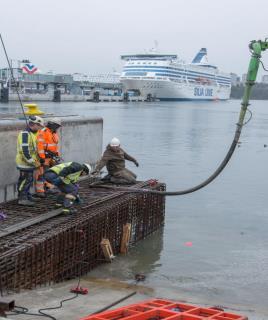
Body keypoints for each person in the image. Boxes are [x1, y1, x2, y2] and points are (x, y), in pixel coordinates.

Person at [16, 116, 44, 206]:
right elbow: (24, 151)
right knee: (25, 180)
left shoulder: (32, 133)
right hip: (24, 163)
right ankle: (22, 198)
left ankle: (27, 195)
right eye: (39, 126)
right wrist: (33, 162)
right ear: (34, 124)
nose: (40, 128)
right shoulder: (25, 134)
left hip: (29, 163)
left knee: (28, 180)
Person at [35, 118, 62, 196]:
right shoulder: (43, 132)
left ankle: (49, 188)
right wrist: (42, 157)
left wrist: (57, 155)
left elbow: (54, 145)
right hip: (44, 158)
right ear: (52, 124)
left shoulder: (53, 133)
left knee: (50, 173)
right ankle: (40, 191)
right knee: (41, 173)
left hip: (51, 157)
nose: (57, 128)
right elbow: (39, 146)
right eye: (57, 126)